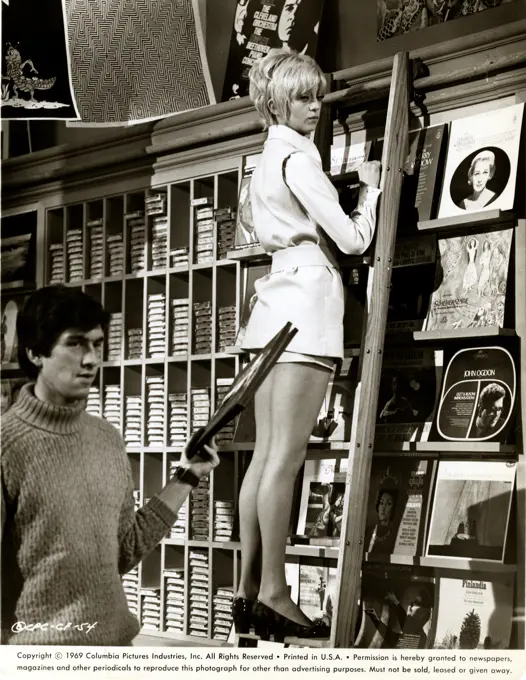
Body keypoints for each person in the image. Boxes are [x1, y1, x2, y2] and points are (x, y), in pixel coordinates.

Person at [233, 48, 381, 640]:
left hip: (271, 307)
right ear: (275, 100)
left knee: (266, 458)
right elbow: (349, 240)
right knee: (286, 460)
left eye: (317, 95)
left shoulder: (264, 159)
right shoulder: (300, 158)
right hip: (306, 305)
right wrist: (367, 195)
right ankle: (272, 592)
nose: (314, 107)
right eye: (302, 96)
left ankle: (247, 594)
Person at [0, 285, 219, 646]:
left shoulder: (107, 438)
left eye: (97, 344)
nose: (90, 359)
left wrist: (187, 476)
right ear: (35, 352)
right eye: (75, 343)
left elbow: (123, 549)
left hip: (115, 648)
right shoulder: (8, 446)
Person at [365, 489, 398, 555]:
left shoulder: (395, 534)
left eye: (388, 504)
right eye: (381, 503)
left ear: (393, 508)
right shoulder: (369, 531)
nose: (383, 508)